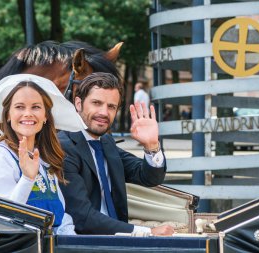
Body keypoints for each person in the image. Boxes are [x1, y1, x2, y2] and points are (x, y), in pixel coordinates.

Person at [58, 72, 174, 235]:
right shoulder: (63, 147)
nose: (104, 112)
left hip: (118, 239)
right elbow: (83, 217)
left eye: (111, 106)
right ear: (78, 103)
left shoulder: (105, 142)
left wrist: (152, 145)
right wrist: (146, 232)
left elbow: (149, 177)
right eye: (96, 103)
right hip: (83, 242)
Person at [0, 81, 76, 235]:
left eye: (36, 107)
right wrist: (27, 179)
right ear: (8, 115)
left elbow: (61, 218)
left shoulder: (44, 158)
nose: (28, 113)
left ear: (45, 117)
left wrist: (73, 242)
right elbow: (2, 217)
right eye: (19, 107)